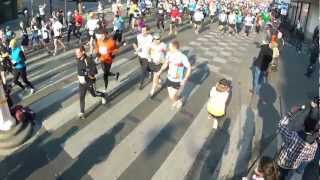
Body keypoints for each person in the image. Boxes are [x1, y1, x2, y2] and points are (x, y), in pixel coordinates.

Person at [277, 105, 318, 180]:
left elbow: (281, 125)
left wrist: (291, 113)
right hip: (293, 166)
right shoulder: (314, 145)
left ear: (304, 124)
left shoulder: (293, 136)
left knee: (277, 174)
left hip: (281, 163)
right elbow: (309, 158)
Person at [156, 40, 192, 110]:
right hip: (169, 78)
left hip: (177, 79)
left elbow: (189, 68)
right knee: (170, 95)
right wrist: (160, 71)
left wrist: (185, 79)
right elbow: (166, 64)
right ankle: (177, 101)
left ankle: (178, 101)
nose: (168, 48)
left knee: (173, 95)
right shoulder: (169, 54)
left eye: (170, 47)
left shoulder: (182, 57)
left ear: (174, 47)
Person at [76, 46, 107, 119]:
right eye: (76, 53)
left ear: (83, 52)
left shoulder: (88, 60)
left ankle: (103, 95)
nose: (76, 54)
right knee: (81, 97)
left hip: (89, 82)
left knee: (94, 94)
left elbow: (95, 71)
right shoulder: (78, 59)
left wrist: (88, 74)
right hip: (81, 83)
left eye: (78, 53)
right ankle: (82, 112)